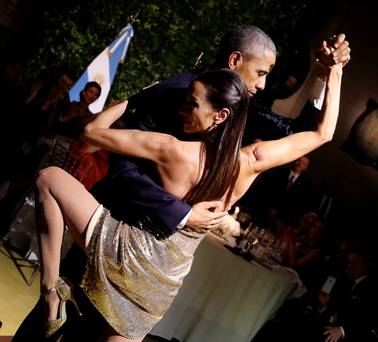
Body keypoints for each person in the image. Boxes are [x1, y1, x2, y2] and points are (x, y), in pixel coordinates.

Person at [35, 46, 345, 341]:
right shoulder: (251, 162)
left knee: (49, 178)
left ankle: (52, 294)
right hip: (157, 290)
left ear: (220, 115)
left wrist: (134, 100)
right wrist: (336, 71)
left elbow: (91, 132)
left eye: (192, 104)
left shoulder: (171, 149)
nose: (183, 110)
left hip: (124, 251)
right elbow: (324, 133)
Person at [92, 25, 351, 236]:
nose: (262, 85)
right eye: (260, 72)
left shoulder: (241, 106)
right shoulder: (175, 92)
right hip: (115, 220)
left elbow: (299, 132)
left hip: (170, 238)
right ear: (235, 60)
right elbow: (123, 167)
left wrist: (324, 72)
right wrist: (181, 214)